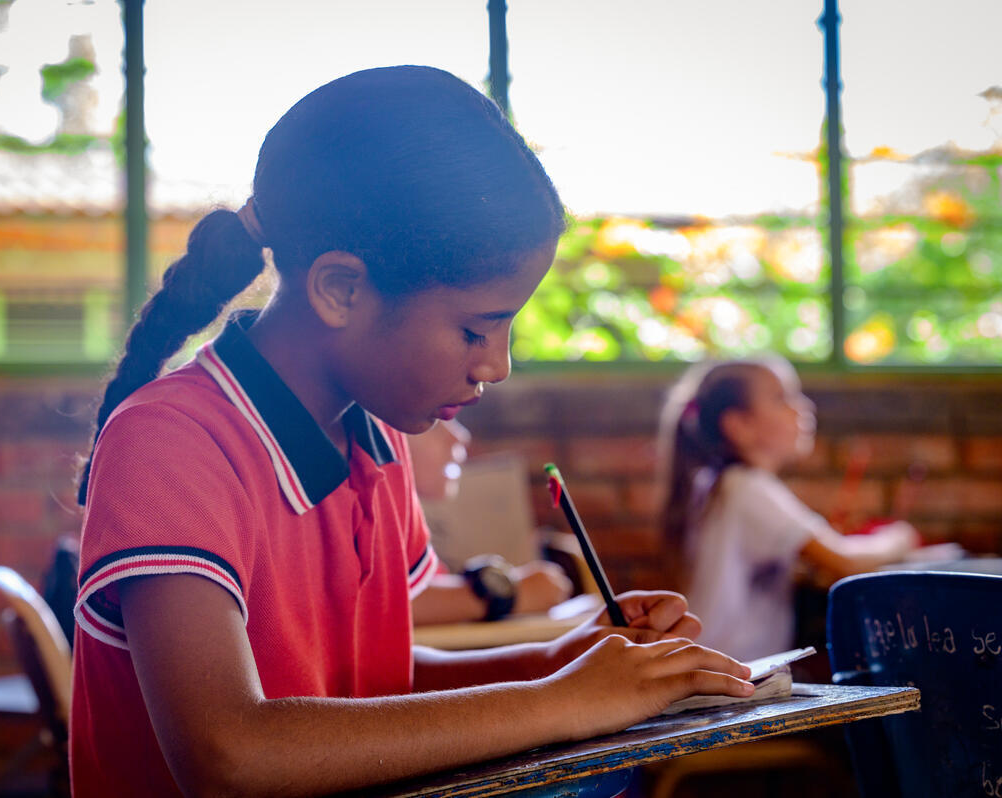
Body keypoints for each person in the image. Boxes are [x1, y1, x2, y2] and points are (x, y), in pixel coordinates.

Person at [71, 65, 753, 798]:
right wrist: (563, 700)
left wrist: (574, 663)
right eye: (475, 328)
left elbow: (376, 694)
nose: (498, 364)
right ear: (342, 289)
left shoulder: (374, 440)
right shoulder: (172, 441)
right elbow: (229, 753)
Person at [658, 355, 920, 663]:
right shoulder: (747, 488)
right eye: (782, 397)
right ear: (738, 425)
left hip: (721, 667)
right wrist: (900, 537)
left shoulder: (718, 483)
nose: (804, 407)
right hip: (732, 679)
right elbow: (845, 561)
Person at [407, 419, 573, 625]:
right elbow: (391, 602)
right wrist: (512, 595)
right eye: (433, 420)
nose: (459, 437)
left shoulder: (411, 534)